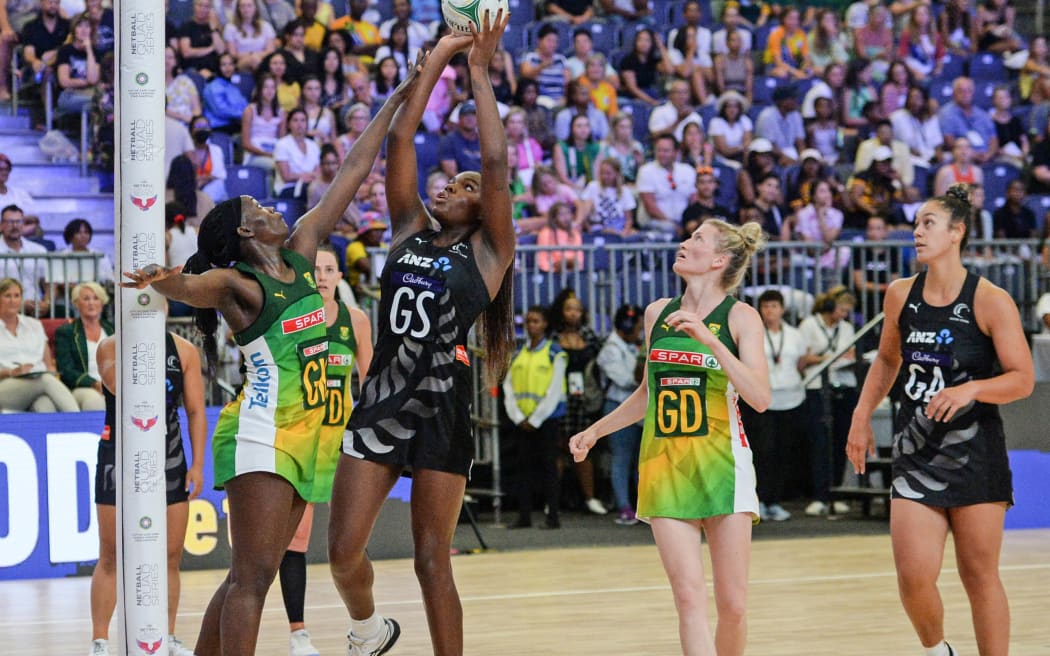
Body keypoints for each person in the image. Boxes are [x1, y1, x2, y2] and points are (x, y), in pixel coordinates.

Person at [119, 50, 425, 655]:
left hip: (311, 434)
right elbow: (191, 284)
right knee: (254, 578)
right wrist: (161, 275)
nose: (275, 209)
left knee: (245, 577)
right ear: (244, 233)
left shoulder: (302, 252)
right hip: (265, 431)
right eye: (261, 210)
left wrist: (393, 102)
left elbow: (351, 175)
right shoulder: (241, 285)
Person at [326, 15, 516, 656]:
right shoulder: (408, 228)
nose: (452, 184)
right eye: (451, 180)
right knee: (342, 550)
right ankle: (370, 629)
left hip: (441, 409)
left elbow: (494, 161)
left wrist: (480, 72)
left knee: (433, 560)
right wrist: (439, 55)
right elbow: (401, 137)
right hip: (379, 400)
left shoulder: (490, 254)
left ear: (482, 207)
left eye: (465, 188)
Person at [846, 185, 1033, 656]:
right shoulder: (900, 295)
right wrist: (861, 415)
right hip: (916, 452)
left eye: (928, 223)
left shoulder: (990, 300)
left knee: (979, 575)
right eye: (915, 224)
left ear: (957, 233)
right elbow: (887, 362)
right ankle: (938, 651)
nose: (917, 232)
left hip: (975, 454)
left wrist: (972, 388)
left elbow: (1022, 379)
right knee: (912, 575)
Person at [570, 219, 770, 655]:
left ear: (719, 260)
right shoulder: (657, 312)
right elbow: (647, 393)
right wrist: (595, 431)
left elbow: (759, 397)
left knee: (733, 606)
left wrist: (710, 341)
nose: (684, 242)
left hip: (722, 466)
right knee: (689, 599)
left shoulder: (739, 316)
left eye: (697, 238)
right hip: (664, 466)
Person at [278, 243, 372, 656]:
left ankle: (364, 625)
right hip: (304, 438)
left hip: (344, 439)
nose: (321, 276)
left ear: (339, 276)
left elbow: (370, 380)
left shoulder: (358, 320)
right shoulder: (297, 320)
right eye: (315, 269)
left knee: (351, 538)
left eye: (329, 269)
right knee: (296, 537)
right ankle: (299, 634)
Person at [88, 330, 206, 656]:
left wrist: (197, 465)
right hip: (118, 455)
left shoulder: (183, 350)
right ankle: (99, 641)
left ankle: (166, 636)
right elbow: (116, 385)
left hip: (169, 456)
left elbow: (196, 410)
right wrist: (137, 342)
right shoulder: (111, 345)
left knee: (171, 556)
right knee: (111, 554)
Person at [742, 288, 806, 522]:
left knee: (783, 452)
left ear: (782, 309)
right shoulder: (754, 334)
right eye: (766, 306)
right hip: (763, 401)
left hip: (790, 398)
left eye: (774, 306)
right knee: (761, 451)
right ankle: (757, 499)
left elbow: (800, 362)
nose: (770, 311)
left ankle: (775, 500)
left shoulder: (794, 335)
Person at [503, 305, 567, 529]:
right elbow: (509, 387)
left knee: (548, 467)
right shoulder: (518, 353)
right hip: (521, 420)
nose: (531, 326)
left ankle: (553, 516)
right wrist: (518, 416)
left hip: (546, 420)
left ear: (545, 324)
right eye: (528, 321)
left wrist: (536, 418)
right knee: (523, 469)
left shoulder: (555, 352)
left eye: (536, 321)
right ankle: (524, 516)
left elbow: (555, 389)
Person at [798, 286, 858, 516]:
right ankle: (820, 495)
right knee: (820, 443)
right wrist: (828, 357)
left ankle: (837, 493)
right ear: (830, 306)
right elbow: (803, 358)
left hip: (843, 385)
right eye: (842, 309)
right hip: (817, 388)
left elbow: (851, 353)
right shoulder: (809, 325)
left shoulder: (847, 328)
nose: (844, 315)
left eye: (848, 311)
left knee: (841, 441)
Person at [0, 277, 79, 412]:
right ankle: (80, 422)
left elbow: (48, 365)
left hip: (38, 381)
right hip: (6, 384)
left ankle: (66, 430)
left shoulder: (35, 325)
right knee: (45, 380)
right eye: (7, 296)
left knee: (45, 405)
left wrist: (52, 373)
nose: (13, 300)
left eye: (17, 296)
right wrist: (11, 372)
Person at [596, 303, 644, 525]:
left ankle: (642, 505)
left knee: (641, 461)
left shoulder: (634, 346)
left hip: (639, 409)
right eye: (637, 326)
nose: (639, 330)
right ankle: (624, 506)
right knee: (621, 458)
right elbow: (626, 379)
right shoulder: (610, 350)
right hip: (617, 406)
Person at [53, 281, 110, 411]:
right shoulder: (66, 332)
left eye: (96, 298)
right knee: (94, 401)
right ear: (76, 304)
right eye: (86, 299)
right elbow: (66, 370)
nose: (91, 303)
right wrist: (94, 383)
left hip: (112, 385)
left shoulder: (112, 330)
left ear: (102, 303)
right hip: (82, 387)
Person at [0, 204, 50, 316]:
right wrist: (19, 304)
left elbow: (48, 282)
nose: (14, 226)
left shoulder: (38, 250)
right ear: (1, 225)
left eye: (18, 222)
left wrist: (47, 302)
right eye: (9, 222)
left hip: (36, 310)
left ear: (23, 225)